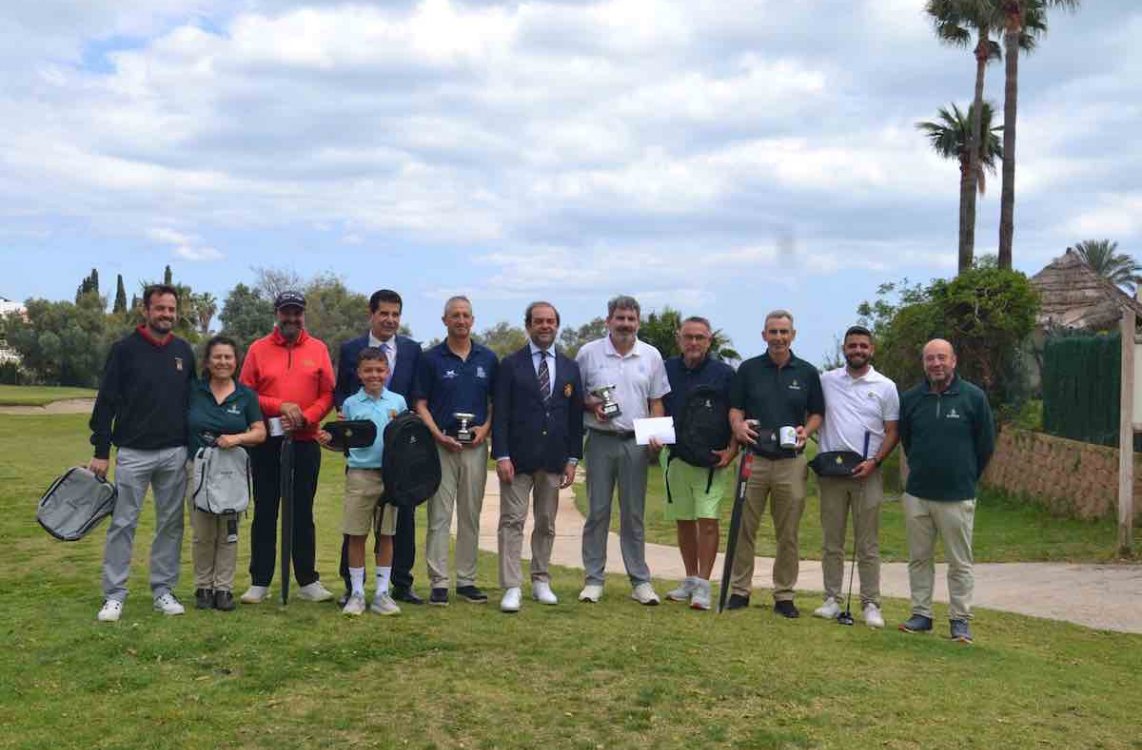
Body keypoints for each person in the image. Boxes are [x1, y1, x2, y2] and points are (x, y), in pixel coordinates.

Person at [89, 284, 197, 622]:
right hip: (133, 452)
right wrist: (102, 452)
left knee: (170, 524)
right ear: (146, 311)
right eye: (160, 308)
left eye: (171, 309)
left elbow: (193, 403)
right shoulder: (124, 350)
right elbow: (106, 402)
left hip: (174, 452)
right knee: (123, 523)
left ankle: (163, 590)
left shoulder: (184, 351)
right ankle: (114, 595)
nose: (166, 314)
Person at [238, 290, 336, 604]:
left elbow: (327, 394)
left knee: (302, 512)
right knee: (266, 509)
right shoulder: (258, 349)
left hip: (305, 441)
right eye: (286, 312)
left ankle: (307, 580)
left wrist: (306, 417)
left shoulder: (318, 349)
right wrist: (280, 406)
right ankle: (260, 581)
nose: (291, 318)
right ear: (277, 313)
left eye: (297, 313)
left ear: (303, 314)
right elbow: (245, 394)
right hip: (267, 441)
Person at [727, 309, 824, 618]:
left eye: (784, 332)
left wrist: (805, 432)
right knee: (744, 527)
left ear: (793, 335)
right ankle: (740, 590)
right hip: (753, 459)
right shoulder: (749, 369)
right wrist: (738, 427)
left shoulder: (807, 372)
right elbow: (735, 409)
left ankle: (784, 595)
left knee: (788, 532)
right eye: (773, 332)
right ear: (763, 335)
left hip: (790, 463)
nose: (778, 337)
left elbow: (817, 412)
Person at [897, 338, 995, 643]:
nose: (936, 364)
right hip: (918, 494)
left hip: (957, 495)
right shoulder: (911, 398)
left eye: (941, 358)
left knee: (959, 562)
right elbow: (908, 441)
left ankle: (960, 620)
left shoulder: (973, 398)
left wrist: (965, 474)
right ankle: (921, 615)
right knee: (919, 559)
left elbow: (985, 445)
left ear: (954, 361)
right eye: (930, 359)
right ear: (923, 364)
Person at [575, 295, 670, 605]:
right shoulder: (589, 353)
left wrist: (656, 435)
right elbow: (576, 396)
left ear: (638, 322)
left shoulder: (651, 356)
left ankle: (640, 581)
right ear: (608, 321)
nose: (626, 324)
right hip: (600, 440)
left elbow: (656, 401)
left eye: (631, 319)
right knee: (597, 511)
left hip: (635, 443)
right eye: (620, 318)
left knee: (633, 514)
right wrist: (593, 404)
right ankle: (593, 579)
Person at [492, 301, 584, 613]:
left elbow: (575, 418)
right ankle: (512, 586)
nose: (545, 326)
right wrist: (501, 454)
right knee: (512, 521)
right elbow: (501, 413)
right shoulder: (510, 364)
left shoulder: (571, 368)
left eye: (550, 321)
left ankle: (540, 579)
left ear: (557, 325)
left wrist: (573, 458)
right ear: (528, 326)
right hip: (517, 458)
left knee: (546, 522)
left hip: (554, 458)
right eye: (538, 321)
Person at [334, 289, 423, 606]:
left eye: (395, 314)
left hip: (396, 466)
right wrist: (340, 423)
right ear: (372, 314)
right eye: (384, 313)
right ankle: (354, 588)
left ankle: (396, 585)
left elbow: (415, 397)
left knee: (396, 529)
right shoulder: (351, 349)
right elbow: (340, 393)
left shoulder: (412, 350)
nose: (390, 319)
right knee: (355, 531)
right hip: (361, 465)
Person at [812, 325, 899, 629]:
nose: (857, 350)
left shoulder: (886, 386)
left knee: (868, 544)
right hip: (832, 472)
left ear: (871, 350)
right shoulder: (826, 381)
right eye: (852, 346)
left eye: (863, 346)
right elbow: (813, 415)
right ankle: (832, 599)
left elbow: (892, 431)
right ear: (844, 349)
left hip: (867, 472)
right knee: (831, 541)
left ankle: (871, 604)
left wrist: (875, 462)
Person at [415, 296, 498, 606]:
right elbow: (420, 403)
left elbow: (494, 402)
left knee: (470, 515)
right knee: (439, 515)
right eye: (455, 315)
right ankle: (438, 582)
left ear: (472, 320)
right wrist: (437, 434)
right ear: (444, 320)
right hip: (441, 446)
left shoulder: (487, 358)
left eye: (465, 315)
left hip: (475, 447)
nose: (460, 320)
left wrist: (485, 429)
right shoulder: (431, 358)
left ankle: (466, 580)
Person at [320, 347, 407, 616]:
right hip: (359, 474)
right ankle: (356, 592)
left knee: (386, 535)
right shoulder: (350, 404)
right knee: (356, 534)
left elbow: (407, 439)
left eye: (379, 370)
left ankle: (382, 593)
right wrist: (328, 441)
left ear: (387, 372)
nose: (374, 375)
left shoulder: (398, 402)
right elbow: (344, 443)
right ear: (359, 373)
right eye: (368, 370)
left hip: (390, 476)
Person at [659, 316, 736, 611]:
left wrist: (732, 450)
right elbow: (655, 404)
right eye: (688, 337)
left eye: (700, 337)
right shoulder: (666, 369)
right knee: (684, 519)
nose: (694, 343)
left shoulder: (724, 374)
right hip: (676, 456)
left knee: (707, 521)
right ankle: (690, 578)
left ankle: (704, 585)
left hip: (711, 460)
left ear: (709, 340)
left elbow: (736, 413)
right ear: (679, 338)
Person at [186, 335, 266, 612]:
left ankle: (224, 589)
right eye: (217, 357)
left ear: (236, 361)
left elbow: (260, 432)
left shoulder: (245, 395)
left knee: (228, 532)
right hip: (199, 468)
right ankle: (203, 588)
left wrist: (237, 438)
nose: (222, 362)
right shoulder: (195, 390)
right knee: (203, 531)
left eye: (228, 357)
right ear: (208, 361)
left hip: (232, 470)